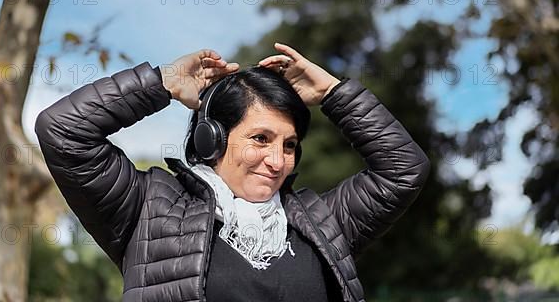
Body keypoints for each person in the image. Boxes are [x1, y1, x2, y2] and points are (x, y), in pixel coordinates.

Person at [35, 42, 431, 302]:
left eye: (289, 145)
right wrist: (163, 84)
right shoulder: (149, 210)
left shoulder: (324, 222)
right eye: (261, 138)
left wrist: (334, 94)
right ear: (212, 139)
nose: (278, 161)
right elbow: (64, 130)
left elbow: (403, 169)